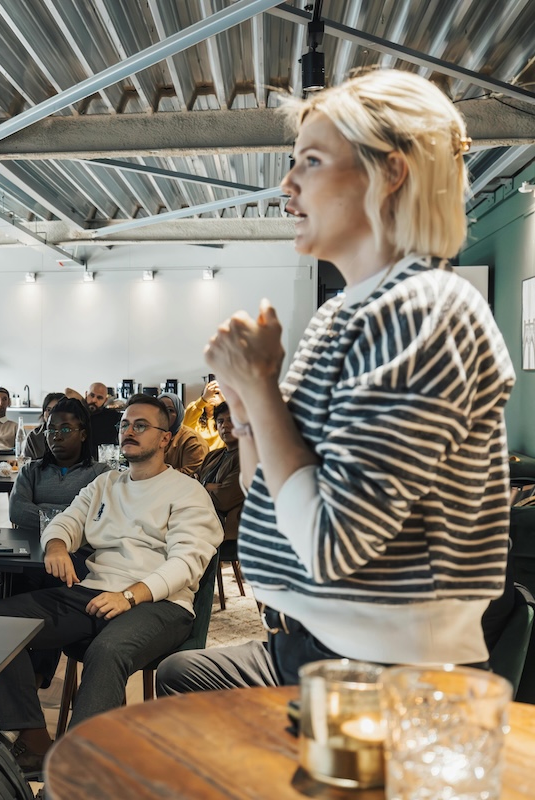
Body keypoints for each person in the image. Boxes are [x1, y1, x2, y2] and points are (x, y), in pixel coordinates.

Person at [156, 69, 514, 696]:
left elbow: (330, 541)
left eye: (312, 162)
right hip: (316, 643)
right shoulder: (338, 315)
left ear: (390, 173)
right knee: (184, 677)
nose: (287, 186)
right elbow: (266, 487)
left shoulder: (426, 309)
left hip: (397, 672)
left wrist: (262, 386)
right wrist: (243, 405)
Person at [0, 397, 222, 773]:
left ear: (165, 440)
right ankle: (33, 739)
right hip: (94, 592)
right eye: (125, 425)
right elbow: (67, 520)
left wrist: (130, 595)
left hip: (160, 603)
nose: (128, 431)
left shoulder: (188, 492)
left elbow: (187, 563)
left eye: (141, 426)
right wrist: (57, 545)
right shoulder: (106, 482)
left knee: (107, 650)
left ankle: (77, 771)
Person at [9, 397, 110, 532]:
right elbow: (18, 512)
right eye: (51, 431)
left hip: (77, 551)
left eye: (66, 430)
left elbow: (99, 517)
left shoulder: (100, 474)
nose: (57, 437)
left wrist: (42, 509)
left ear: (83, 435)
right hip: (30, 548)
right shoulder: (30, 471)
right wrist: (73, 516)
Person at [196, 403, 242, 542]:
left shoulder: (248, 457)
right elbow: (191, 481)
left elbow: (224, 499)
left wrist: (201, 486)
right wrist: (209, 486)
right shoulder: (214, 455)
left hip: (227, 527)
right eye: (220, 421)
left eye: (231, 420)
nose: (224, 425)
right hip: (202, 517)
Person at [157, 392, 206, 477]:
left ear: (179, 413)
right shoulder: (152, 435)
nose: (164, 414)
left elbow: (191, 474)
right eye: (160, 410)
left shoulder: (192, 440)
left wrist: (153, 474)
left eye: (170, 410)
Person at [66, 382, 121, 450]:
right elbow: (68, 391)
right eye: (91, 395)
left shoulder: (112, 417)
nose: (94, 400)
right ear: (86, 394)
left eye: (99, 398)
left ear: (105, 400)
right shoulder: (76, 413)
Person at [21, 392, 66, 461]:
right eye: (48, 410)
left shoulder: (71, 434)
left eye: (56, 410)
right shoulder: (33, 436)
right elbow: (28, 464)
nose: (51, 414)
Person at [182, 380, 225, 452]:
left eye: (216, 393)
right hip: (200, 458)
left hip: (220, 459)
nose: (213, 395)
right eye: (209, 394)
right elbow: (186, 425)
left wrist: (224, 403)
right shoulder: (195, 416)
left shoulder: (225, 419)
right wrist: (204, 399)